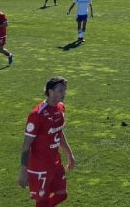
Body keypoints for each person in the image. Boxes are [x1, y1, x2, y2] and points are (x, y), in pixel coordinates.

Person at [18, 76, 76, 207]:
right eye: (61, 90)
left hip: (55, 162)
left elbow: (58, 132)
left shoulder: (61, 108)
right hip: (39, 167)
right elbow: (26, 145)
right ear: (50, 91)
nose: (64, 93)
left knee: (62, 194)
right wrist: (23, 171)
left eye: (64, 90)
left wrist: (69, 154)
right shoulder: (37, 115)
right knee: (42, 202)